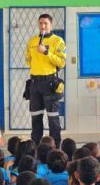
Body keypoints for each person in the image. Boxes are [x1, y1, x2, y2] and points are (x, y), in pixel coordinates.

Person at [25, 13, 66, 149]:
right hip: (35, 83)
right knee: (36, 118)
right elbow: (28, 60)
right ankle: (36, 149)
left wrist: (46, 53)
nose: (43, 26)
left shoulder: (57, 41)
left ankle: (56, 148)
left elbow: (61, 63)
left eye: (46, 23)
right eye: (41, 23)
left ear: (51, 25)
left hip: (50, 82)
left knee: (53, 118)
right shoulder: (32, 41)